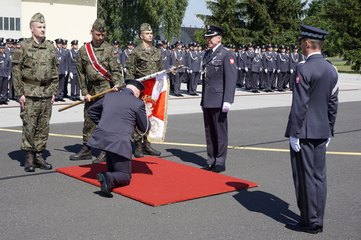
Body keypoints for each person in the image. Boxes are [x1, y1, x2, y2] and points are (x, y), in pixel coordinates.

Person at [285, 24, 339, 234]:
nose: (300, 46)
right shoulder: (331, 68)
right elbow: (333, 103)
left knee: (304, 176)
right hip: (322, 130)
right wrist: (330, 129)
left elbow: (300, 105)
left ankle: (310, 221)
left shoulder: (303, 68)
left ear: (307, 43)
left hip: (305, 132)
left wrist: (294, 133)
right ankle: (318, 218)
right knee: (319, 177)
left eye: (301, 43)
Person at [69, 18, 122, 163]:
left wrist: (117, 84)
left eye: (103, 35)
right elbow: (80, 73)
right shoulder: (83, 51)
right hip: (92, 90)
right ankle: (86, 148)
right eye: (98, 34)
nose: (100, 38)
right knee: (89, 119)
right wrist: (85, 92)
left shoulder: (109, 49)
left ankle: (105, 151)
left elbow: (116, 70)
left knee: (105, 121)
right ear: (91, 32)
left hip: (107, 89)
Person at [12, 13, 58, 172]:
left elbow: (54, 70)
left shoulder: (51, 47)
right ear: (31, 28)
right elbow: (16, 70)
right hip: (29, 92)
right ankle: (29, 156)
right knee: (29, 125)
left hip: (46, 92)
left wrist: (54, 91)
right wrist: (19, 93)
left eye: (44, 26)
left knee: (43, 126)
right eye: (39, 27)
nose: (43, 29)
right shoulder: (22, 46)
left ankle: (39, 154)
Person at [87, 79, 150, 197]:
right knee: (125, 176)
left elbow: (91, 111)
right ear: (137, 92)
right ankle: (107, 177)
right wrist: (147, 117)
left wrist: (103, 123)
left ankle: (108, 178)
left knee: (114, 167)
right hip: (119, 142)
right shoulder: (137, 103)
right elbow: (144, 127)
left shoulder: (109, 96)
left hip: (103, 138)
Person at [200, 25, 237, 173]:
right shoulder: (207, 54)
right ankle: (211, 159)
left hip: (220, 99)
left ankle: (220, 161)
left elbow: (231, 78)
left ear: (219, 38)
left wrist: (228, 100)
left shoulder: (226, 54)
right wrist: (202, 99)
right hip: (208, 99)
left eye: (211, 37)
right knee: (209, 131)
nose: (208, 40)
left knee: (220, 132)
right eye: (207, 38)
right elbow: (205, 79)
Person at [126, 23, 162, 158]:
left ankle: (147, 143)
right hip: (139, 90)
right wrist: (131, 89)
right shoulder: (136, 52)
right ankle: (138, 145)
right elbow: (129, 72)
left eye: (151, 33)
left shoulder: (157, 51)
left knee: (150, 115)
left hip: (153, 90)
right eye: (147, 33)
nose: (150, 35)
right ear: (141, 36)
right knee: (138, 117)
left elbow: (160, 71)